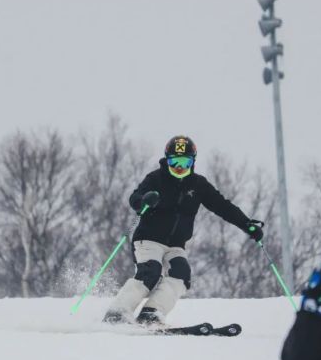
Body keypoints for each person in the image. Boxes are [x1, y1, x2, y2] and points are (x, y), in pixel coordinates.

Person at [103, 135, 263, 325]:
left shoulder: (198, 184)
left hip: (176, 244)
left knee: (181, 274)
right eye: (174, 162)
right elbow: (135, 198)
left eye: (184, 162)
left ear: (192, 162)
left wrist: (247, 224)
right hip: (148, 239)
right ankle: (118, 312)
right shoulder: (156, 178)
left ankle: (151, 314)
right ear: (167, 160)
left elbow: (223, 206)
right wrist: (144, 200)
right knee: (150, 272)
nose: (179, 167)